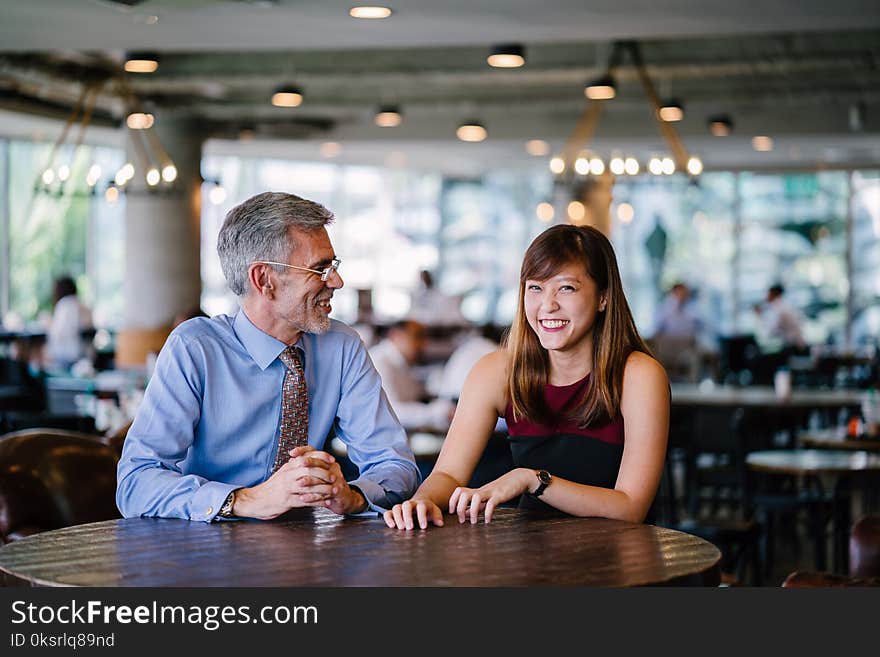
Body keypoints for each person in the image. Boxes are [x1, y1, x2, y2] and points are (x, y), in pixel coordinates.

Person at [117, 192, 420, 522]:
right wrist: (246, 500)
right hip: (204, 551)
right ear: (264, 280)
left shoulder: (342, 346)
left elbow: (397, 466)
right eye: (320, 268)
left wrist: (354, 496)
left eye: (333, 266)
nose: (337, 281)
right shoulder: (195, 349)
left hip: (308, 551)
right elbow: (135, 483)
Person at [384, 224, 669, 530]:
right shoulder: (497, 371)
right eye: (535, 288)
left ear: (603, 298)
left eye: (566, 288)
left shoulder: (638, 375)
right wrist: (424, 500)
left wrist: (534, 480)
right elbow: (449, 475)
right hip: (531, 554)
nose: (548, 305)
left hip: (620, 560)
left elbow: (631, 507)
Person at [369, 319, 455, 431]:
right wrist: (437, 412)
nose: (422, 345)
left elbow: (415, 394)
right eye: (417, 337)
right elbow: (391, 412)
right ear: (395, 336)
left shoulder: (402, 361)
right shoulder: (378, 362)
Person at [45, 275, 92, 369]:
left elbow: (57, 334)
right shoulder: (83, 305)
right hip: (85, 357)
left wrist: (49, 324)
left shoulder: (64, 305)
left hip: (66, 357)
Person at [753, 283, 806, 353]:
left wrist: (759, 315)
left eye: (768, 293)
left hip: (793, 346)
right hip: (795, 343)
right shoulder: (784, 304)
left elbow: (772, 331)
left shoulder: (779, 308)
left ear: (774, 294)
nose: (766, 296)